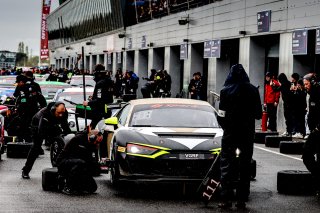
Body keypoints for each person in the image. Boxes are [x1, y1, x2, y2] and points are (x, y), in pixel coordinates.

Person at [217, 64, 262, 209]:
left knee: (227, 165)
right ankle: (241, 199)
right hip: (247, 134)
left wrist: (227, 128)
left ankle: (226, 199)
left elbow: (221, 115)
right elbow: (258, 114)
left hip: (230, 133)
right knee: (245, 166)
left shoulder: (225, 91)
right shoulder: (253, 90)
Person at [21, 102, 71, 179]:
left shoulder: (64, 113)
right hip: (38, 126)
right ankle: (26, 170)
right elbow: (41, 132)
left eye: (62, 112)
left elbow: (65, 127)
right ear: (53, 109)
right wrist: (48, 139)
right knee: (36, 147)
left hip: (52, 124)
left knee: (60, 137)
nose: (60, 115)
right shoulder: (45, 114)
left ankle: (60, 163)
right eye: (58, 113)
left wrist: (66, 136)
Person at [56, 129, 103, 195]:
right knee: (81, 163)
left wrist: (98, 165)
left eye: (99, 143)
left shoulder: (92, 145)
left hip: (78, 163)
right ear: (92, 137)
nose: (97, 144)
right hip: (65, 161)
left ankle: (78, 185)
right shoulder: (78, 138)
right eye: (97, 142)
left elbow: (91, 162)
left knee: (92, 188)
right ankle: (67, 186)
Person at [13, 75, 47, 141]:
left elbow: (40, 99)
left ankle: (30, 140)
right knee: (21, 127)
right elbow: (16, 97)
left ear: (22, 82)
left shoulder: (32, 88)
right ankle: (20, 140)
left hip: (32, 112)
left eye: (18, 82)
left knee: (31, 127)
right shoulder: (19, 88)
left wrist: (43, 109)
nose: (18, 84)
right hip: (22, 112)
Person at [302, 73, 320, 198]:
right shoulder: (311, 94)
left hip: (318, 131)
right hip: (315, 131)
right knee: (307, 156)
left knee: (307, 154)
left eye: (307, 84)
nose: (305, 86)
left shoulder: (318, 93)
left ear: (313, 82)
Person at [83, 64, 114, 129]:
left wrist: (88, 103)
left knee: (91, 129)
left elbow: (99, 100)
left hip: (100, 111)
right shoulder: (109, 81)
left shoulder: (100, 83)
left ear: (98, 74)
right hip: (108, 109)